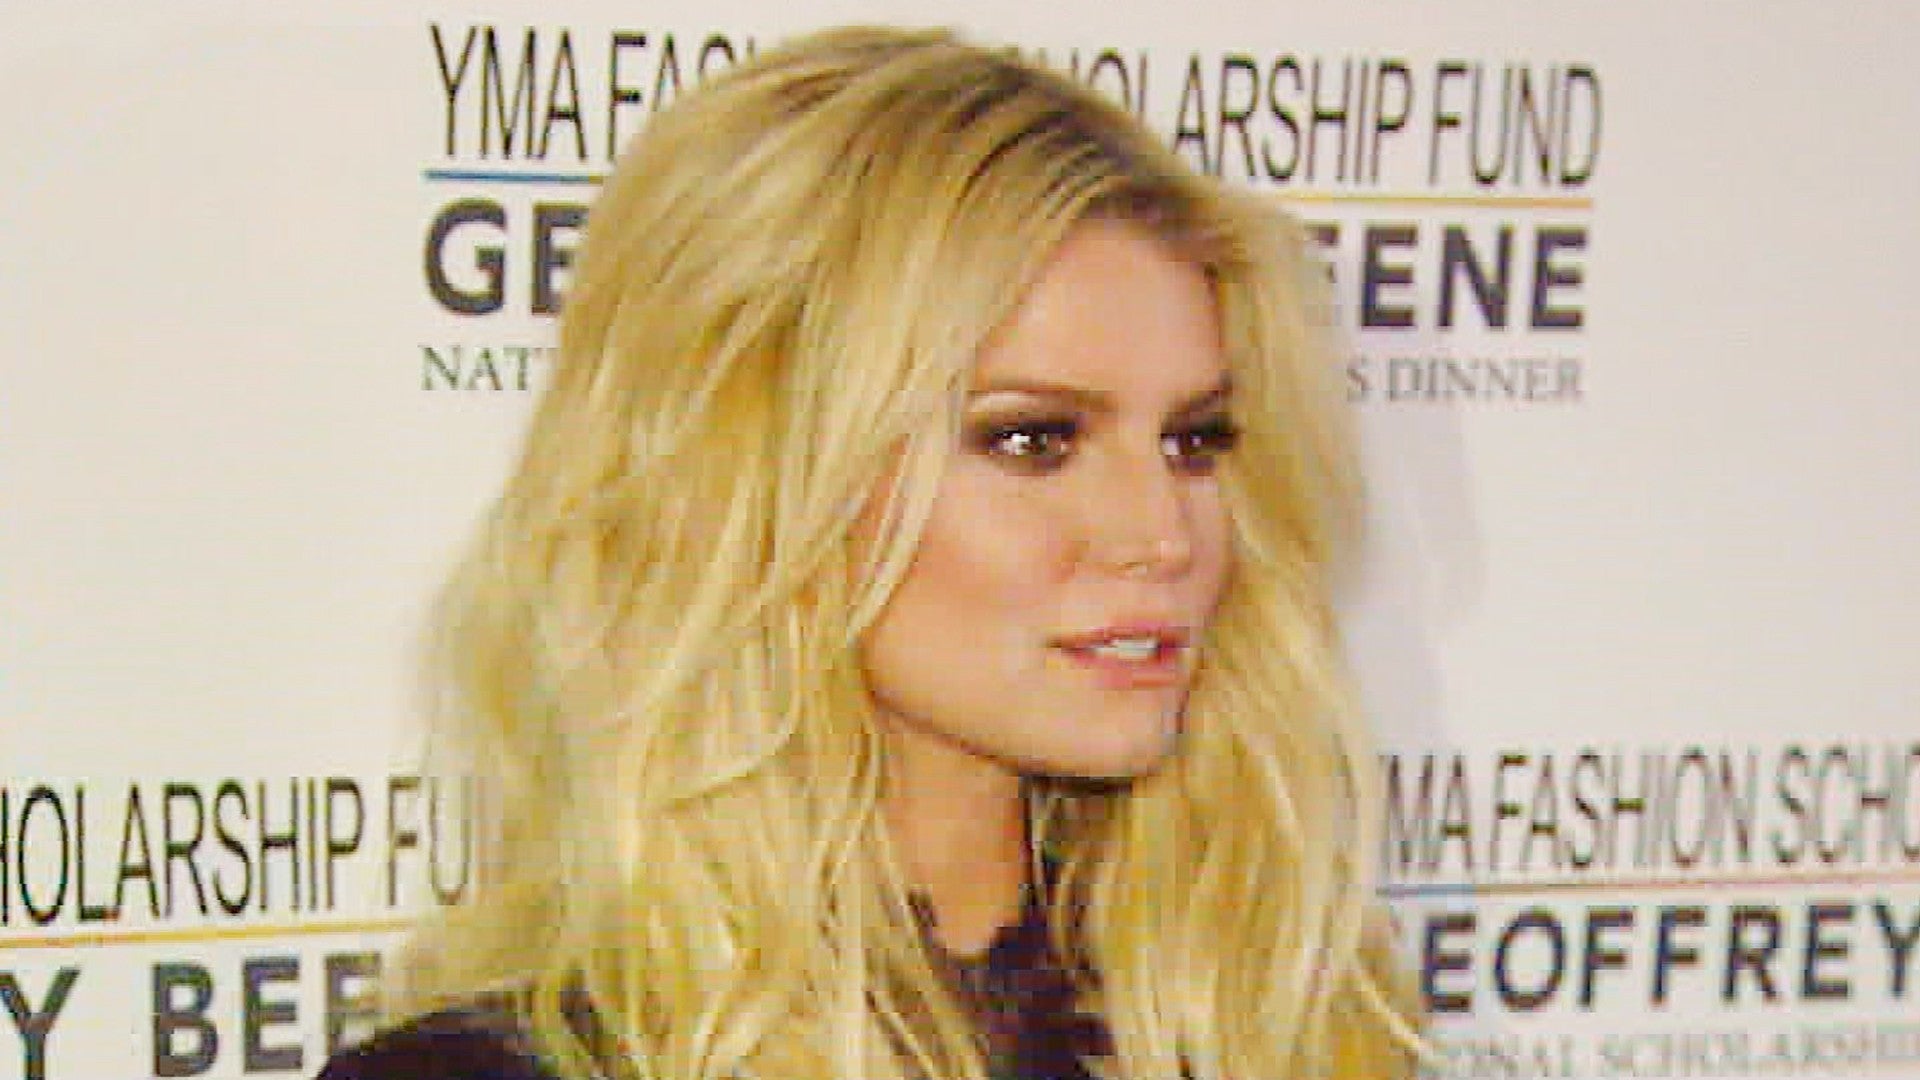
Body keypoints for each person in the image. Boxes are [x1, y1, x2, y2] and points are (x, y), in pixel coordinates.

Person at [320, 24, 1421, 1080]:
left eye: (1194, 440)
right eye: (1033, 440)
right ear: (762, 474)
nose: (1162, 534)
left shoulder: (1270, 1028)